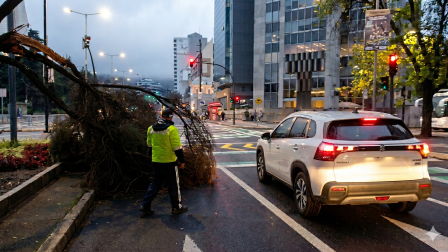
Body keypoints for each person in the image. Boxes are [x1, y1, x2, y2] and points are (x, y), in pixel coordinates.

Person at [139, 109, 188, 216]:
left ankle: (145, 205)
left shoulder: (151, 128)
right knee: (174, 186)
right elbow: (177, 148)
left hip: (156, 161)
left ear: (161, 116)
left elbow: (149, 146)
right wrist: (182, 161)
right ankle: (176, 207)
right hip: (169, 162)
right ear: (170, 117)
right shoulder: (171, 129)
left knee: (155, 184)